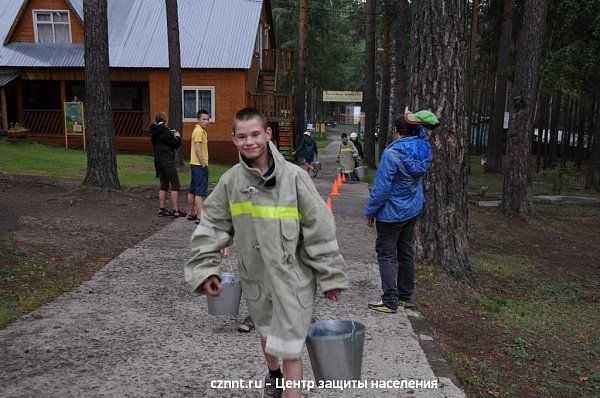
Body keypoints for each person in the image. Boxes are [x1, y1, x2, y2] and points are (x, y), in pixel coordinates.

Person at [184, 108, 348, 398]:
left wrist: (330, 275)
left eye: (255, 134)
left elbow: (319, 229)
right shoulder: (232, 183)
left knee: (291, 350)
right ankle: (273, 374)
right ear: (234, 139)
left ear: (267, 134)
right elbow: (211, 226)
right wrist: (205, 269)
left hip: (294, 279)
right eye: (243, 136)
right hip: (256, 278)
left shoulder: (295, 178)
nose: (250, 142)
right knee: (267, 336)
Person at [364, 110, 438, 314]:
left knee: (385, 254)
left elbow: (382, 189)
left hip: (391, 214)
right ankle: (405, 297)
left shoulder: (392, 154)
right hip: (412, 209)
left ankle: (389, 300)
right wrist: (412, 118)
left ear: (397, 131)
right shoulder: (424, 148)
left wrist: (371, 212)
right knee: (406, 252)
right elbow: (421, 134)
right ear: (416, 130)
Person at [150, 112, 187, 218]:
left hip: (158, 162)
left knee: (164, 185)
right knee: (175, 185)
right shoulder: (166, 132)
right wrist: (177, 137)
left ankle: (162, 209)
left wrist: (170, 134)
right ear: (165, 120)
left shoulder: (154, 132)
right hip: (167, 161)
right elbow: (175, 145)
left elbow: (160, 141)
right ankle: (175, 210)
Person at [187, 109, 210, 224]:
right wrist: (203, 164)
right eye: (204, 119)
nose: (206, 121)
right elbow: (198, 149)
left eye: (207, 119)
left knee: (193, 190)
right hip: (198, 165)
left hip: (194, 164)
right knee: (199, 192)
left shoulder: (200, 130)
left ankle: (192, 213)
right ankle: (200, 216)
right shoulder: (199, 131)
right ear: (198, 120)